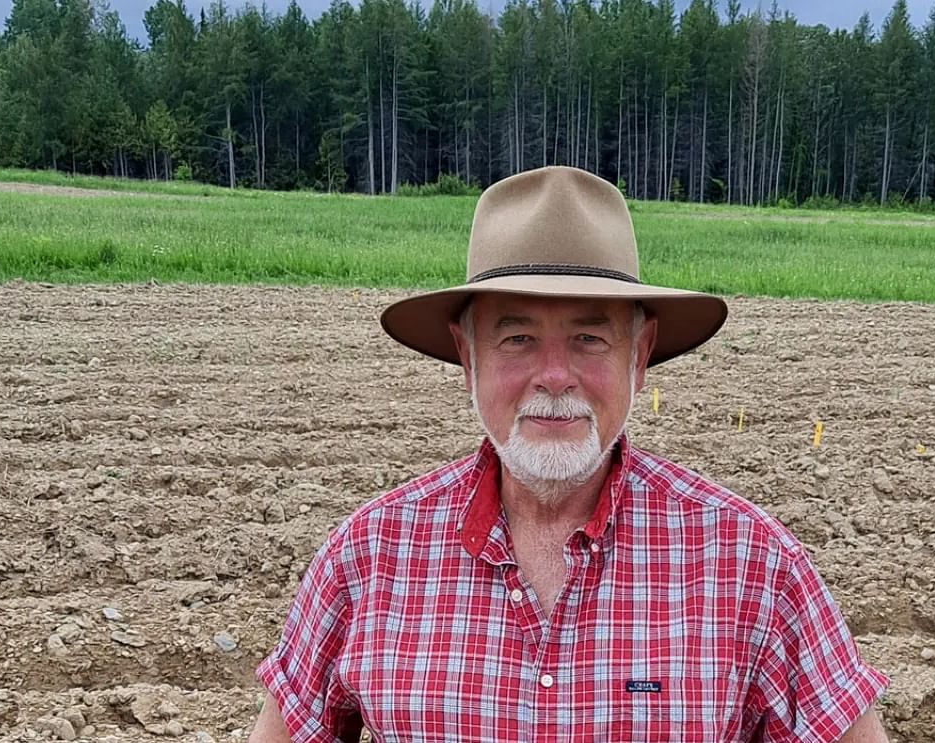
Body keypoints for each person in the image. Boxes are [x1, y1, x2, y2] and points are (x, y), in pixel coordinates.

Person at [249, 166, 890, 742]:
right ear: (467, 355)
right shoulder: (365, 559)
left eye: (588, 337)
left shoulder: (756, 567)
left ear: (638, 356)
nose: (554, 376)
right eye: (518, 337)